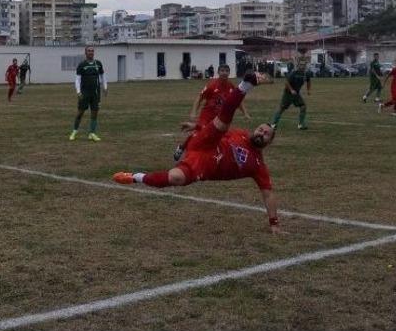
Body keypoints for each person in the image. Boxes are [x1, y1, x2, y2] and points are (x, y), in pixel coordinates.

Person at [113, 73, 281, 233]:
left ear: (269, 142)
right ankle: (247, 84)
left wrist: (274, 223)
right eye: (260, 129)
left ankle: (135, 177)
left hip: (202, 164)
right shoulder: (241, 134)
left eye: (266, 134)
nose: (261, 133)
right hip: (206, 142)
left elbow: (268, 194)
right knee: (223, 124)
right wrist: (197, 126)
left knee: (175, 178)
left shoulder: (258, 166)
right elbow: (215, 126)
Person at [172, 63, 249, 161]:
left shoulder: (231, 87)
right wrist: (193, 112)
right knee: (199, 133)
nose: (224, 73)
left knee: (218, 137)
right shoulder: (212, 85)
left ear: (229, 73)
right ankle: (182, 148)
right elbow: (200, 97)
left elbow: (237, 101)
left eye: (226, 71)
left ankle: (212, 156)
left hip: (219, 119)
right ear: (218, 72)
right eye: (222, 71)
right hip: (206, 116)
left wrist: (245, 113)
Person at [70, 46, 107, 141]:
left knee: (94, 113)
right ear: (85, 53)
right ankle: (74, 131)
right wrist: (78, 91)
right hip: (84, 93)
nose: (91, 52)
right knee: (80, 112)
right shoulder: (82, 65)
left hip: (95, 93)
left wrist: (105, 87)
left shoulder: (98, 64)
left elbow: (103, 76)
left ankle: (92, 133)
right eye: (89, 51)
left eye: (92, 51)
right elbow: (77, 79)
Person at [271, 58, 311, 130]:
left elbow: (308, 81)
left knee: (303, 106)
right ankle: (273, 124)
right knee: (282, 108)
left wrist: (308, 90)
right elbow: (286, 82)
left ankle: (301, 124)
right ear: (298, 65)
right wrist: (291, 90)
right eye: (301, 65)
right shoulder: (294, 73)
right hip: (288, 93)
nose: (302, 66)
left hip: (296, 94)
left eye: (304, 65)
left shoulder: (306, 74)